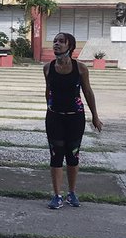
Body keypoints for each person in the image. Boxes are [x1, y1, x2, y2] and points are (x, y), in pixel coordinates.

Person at [44, 32, 103, 209]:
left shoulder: (81, 68)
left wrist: (95, 117)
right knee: (56, 156)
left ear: (70, 46)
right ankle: (57, 196)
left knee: (73, 156)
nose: (57, 44)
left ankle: (72, 193)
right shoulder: (48, 67)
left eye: (61, 42)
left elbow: (88, 92)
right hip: (54, 119)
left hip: (75, 118)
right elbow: (48, 91)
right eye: (55, 41)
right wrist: (50, 108)